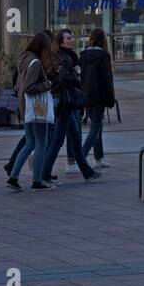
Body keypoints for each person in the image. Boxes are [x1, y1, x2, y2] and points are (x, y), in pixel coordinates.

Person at [41, 29, 100, 184]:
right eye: (68, 38)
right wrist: (76, 73)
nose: (71, 40)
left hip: (65, 102)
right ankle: (44, 173)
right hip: (66, 103)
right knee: (58, 140)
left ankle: (87, 172)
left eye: (72, 38)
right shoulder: (66, 58)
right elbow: (63, 79)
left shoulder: (58, 56)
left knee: (75, 137)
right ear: (61, 41)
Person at [8, 32, 59, 191]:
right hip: (38, 108)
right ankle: (37, 180)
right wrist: (47, 84)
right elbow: (30, 87)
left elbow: (18, 86)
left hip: (26, 108)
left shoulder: (24, 60)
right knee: (40, 143)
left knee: (30, 143)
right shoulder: (35, 63)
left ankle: (13, 177)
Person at [79, 28, 115, 169]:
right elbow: (107, 79)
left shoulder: (83, 55)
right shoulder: (103, 55)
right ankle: (81, 157)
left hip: (86, 95)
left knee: (97, 125)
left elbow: (81, 77)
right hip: (99, 95)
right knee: (95, 127)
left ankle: (98, 158)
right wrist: (110, 98)